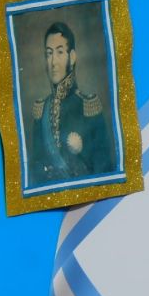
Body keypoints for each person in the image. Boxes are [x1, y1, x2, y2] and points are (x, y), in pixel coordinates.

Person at [27, 21, 115, 186]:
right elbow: (36, 171)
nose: (53, 62)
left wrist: (82, 150)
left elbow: (104, 168)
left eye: (60, 52)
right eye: (49, 53)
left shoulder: (88, 106)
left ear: (72, 57)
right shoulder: (41, 109)